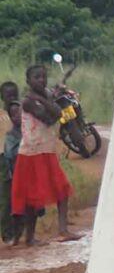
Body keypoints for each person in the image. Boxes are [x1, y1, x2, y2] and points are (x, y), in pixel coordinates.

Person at [12, 64, 77, 245]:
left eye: (43, 76)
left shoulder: (41, 96)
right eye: (37, 77)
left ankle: (62, 231)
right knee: (33, 198)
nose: (41, 80)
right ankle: (30, 238)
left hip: (45, 151)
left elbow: (56, 112)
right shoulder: (28, 101)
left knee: (62, 189)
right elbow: (51, 117)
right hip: (32, 154)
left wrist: (48, 99)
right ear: (28, 81)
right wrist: (49, 101)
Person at [0, 81, 19, 245]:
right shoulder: (2, 116)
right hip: (3, 160)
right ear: (2, 97)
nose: (12, 98)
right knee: (6, 196)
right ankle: (7, 234)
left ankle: (18, 230)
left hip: (19, 158)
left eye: (15, 95)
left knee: (18, 194)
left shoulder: (18, 113)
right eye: (8, 96)